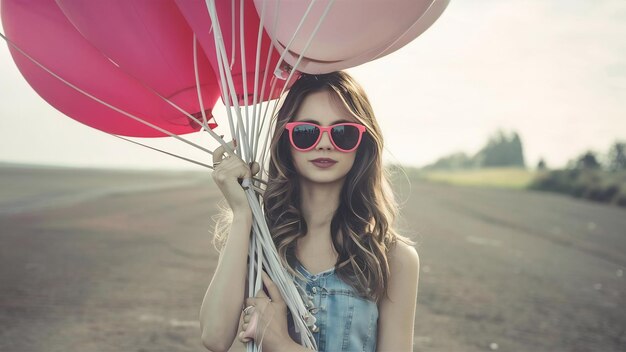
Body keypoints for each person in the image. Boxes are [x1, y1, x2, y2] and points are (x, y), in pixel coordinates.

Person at [200, 71, 420, 352]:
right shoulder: (258, 244)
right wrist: (244, 214)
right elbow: (213, 337)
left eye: (343, 132)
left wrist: (280, 343)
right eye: (307, 132)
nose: (325, 143)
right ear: (286, 141)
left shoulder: (392, 258)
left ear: (362, 144)